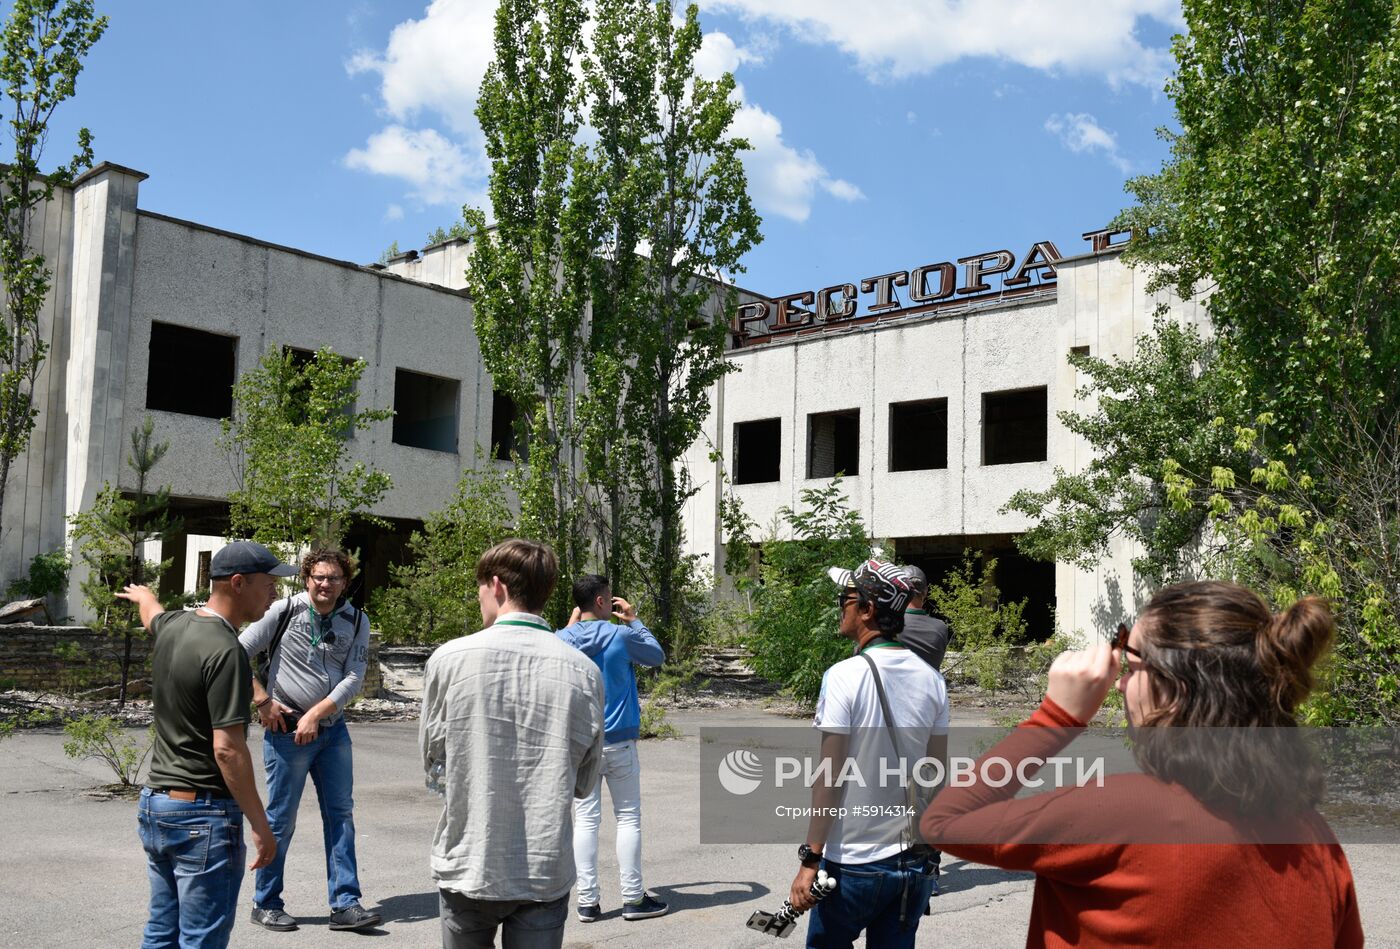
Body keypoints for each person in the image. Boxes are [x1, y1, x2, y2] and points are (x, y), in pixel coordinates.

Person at [920, 579, 1364, 948]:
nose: (1118, 686)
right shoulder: (1316, 839)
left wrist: (1056, 717)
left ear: (1177, 688)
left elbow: (944, 820)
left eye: (1131, 666)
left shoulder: (1119, 812)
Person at [421, 539, 605, 949]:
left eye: (480, 589)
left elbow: (434, 761)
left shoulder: (449, 660)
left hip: (471, 859)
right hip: (543, 864)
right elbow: (585, 780)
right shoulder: (584, 672)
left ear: (497, 585)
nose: (480, 598)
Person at [117, 540, 295, 949]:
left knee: (161, 934)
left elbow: (152, 616)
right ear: (237, 583)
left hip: (157, 806)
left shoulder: (176, 626)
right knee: (202, 940)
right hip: (202, 816)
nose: (274, 593)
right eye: (268, 584)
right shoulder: (227, 650)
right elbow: (228, 750)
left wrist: (144, 595)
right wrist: (261, 825)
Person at [788, 559, 949, 949]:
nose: (839, 606)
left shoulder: (844, 675)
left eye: (846, 598)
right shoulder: (933, 679)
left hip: (856, 865)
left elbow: (830, 776)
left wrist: (810, 860)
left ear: (867, 610)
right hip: (914, 864)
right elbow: (935, 775)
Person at [238, 548, 380, 933]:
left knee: (341, 816)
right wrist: (262, 700)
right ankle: (265, 902)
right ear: (306, 578)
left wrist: (318, 714)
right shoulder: (282, 612)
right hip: (287, 732)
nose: (325, 584)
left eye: (334, 578)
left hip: (332, 731)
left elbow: (354, 675)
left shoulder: (357, 619)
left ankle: (346, 904)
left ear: (344, 582)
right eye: (318, 576)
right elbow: (235, 652)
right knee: (280, 820)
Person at [556, 574, 668, 922]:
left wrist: (569, 628)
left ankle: (587, 902)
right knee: (628, 819)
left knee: (586, 821)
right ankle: (633, 899)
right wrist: (635, 620)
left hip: (581, 744)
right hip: (619, 741)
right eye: (609, 598)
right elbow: (656, 656)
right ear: (603, 602)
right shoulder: (622, 635)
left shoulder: (562, 640)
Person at [897, 565, 951, 672]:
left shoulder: (886, 625)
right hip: (929, 688)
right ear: (925, 592)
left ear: (899, 590)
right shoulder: (940, 628)